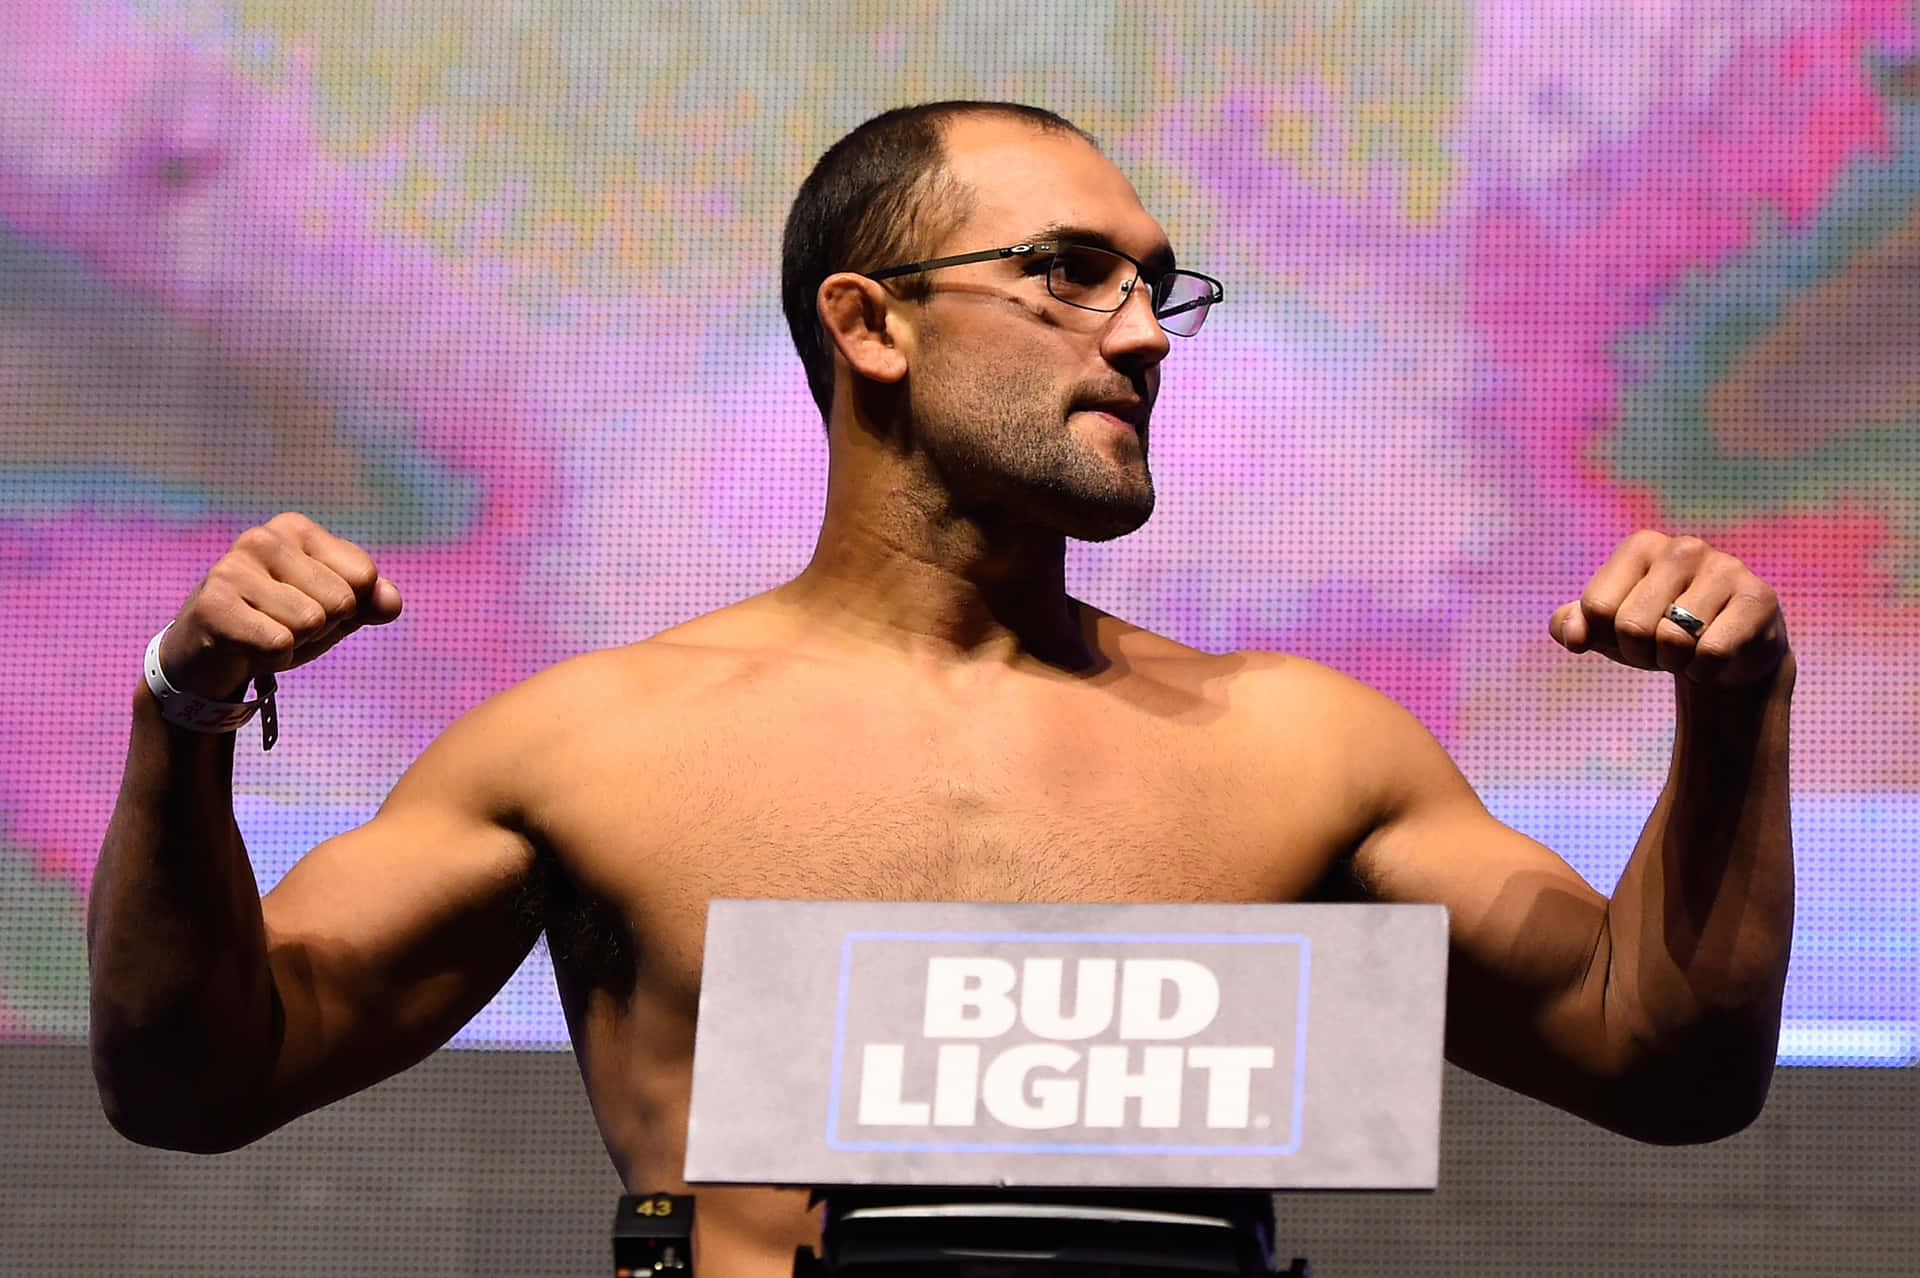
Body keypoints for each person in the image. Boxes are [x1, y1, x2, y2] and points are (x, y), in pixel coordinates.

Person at [89, 102, 1795, 1275]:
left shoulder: (1300, 746)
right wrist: (185, 719)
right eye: (1068, 272)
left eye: (1154, 283)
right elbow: (197, 1081)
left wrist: (1739, 712)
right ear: (870, 325)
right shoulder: (596, 745)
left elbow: (1665, 1060)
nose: (1143, 334)